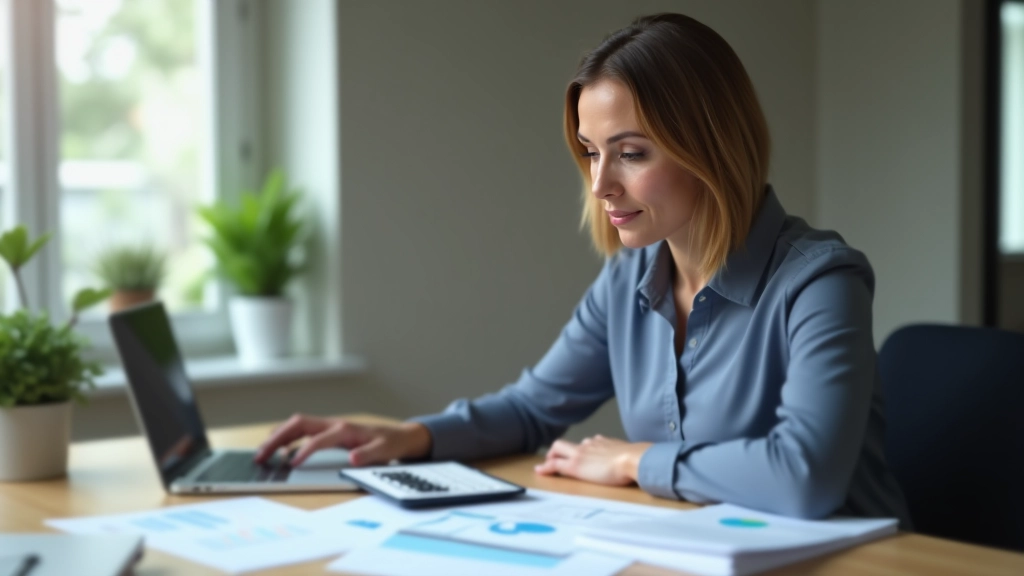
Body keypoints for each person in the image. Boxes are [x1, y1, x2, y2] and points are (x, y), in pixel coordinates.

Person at [255, 13, 911, 525]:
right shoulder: (630, 281)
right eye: (591, 152)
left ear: (709, 144)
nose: (601, 184)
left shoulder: (820, 283)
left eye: (630, 153)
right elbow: (532, 409)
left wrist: (633, 460)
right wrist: (410, 436)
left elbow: (804, 475)